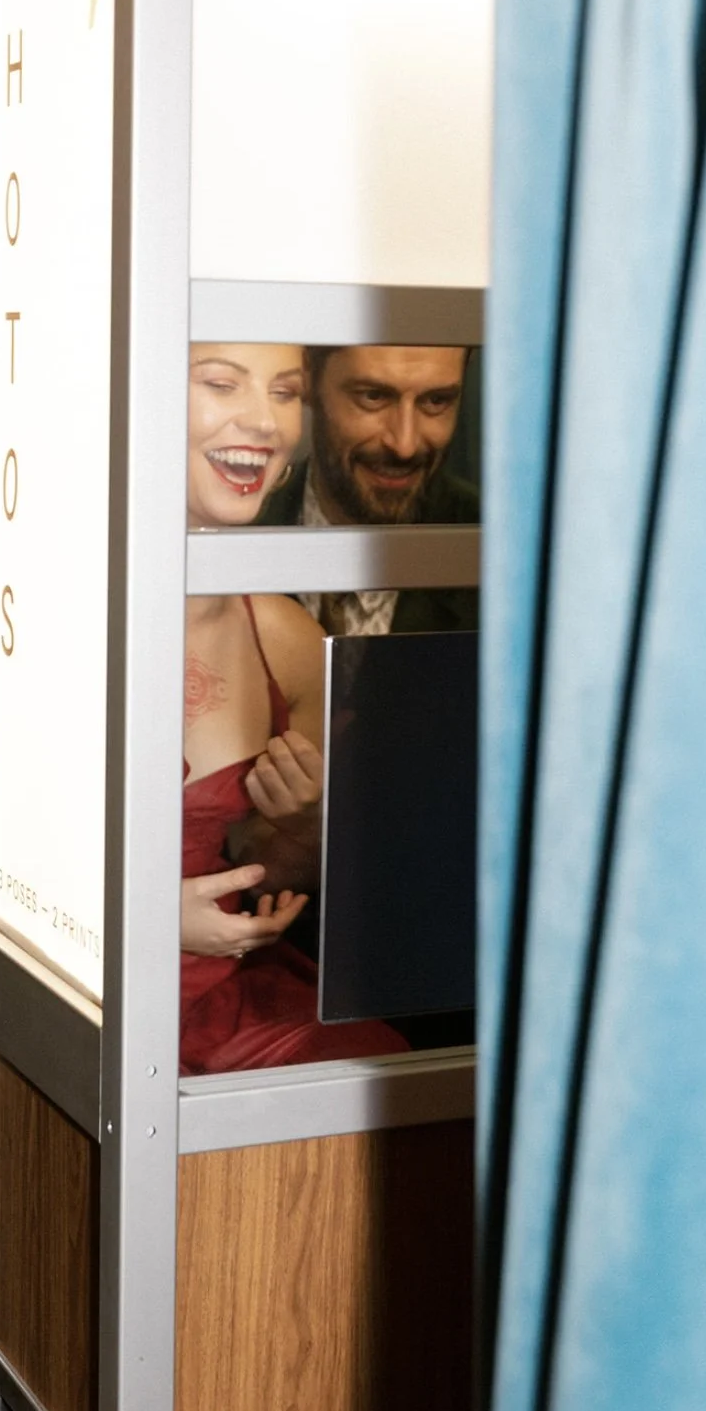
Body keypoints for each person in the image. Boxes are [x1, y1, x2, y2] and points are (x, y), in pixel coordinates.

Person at [180, 343, 409, 1072]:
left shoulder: (285, 637)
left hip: (234, 1003)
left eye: (285, 392)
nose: (265, 420)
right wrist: (143, 922)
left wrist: (304, 824)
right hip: (77, 997)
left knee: (373, 1065)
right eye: (221, 381)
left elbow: (271, 870)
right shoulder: (32, 605)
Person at [259, 343, 480, 635]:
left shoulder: (504, 559)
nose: (405, 445)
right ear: (309, 377)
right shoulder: (235, 541)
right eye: (373, 397)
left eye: (436, 401)